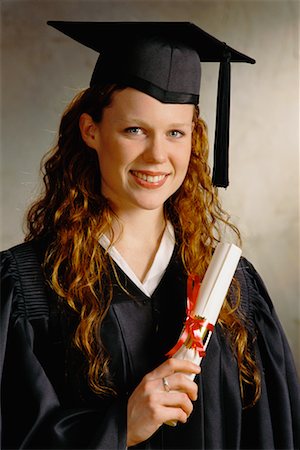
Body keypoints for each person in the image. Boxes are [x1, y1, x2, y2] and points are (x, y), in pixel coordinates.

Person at [0, 21, 299, 450]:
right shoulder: (27, 286)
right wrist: (122, 426)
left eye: (175, 132)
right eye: (134, 130)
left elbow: (270, 435)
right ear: (91, 131)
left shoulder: (234, 288)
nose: (157, 156)